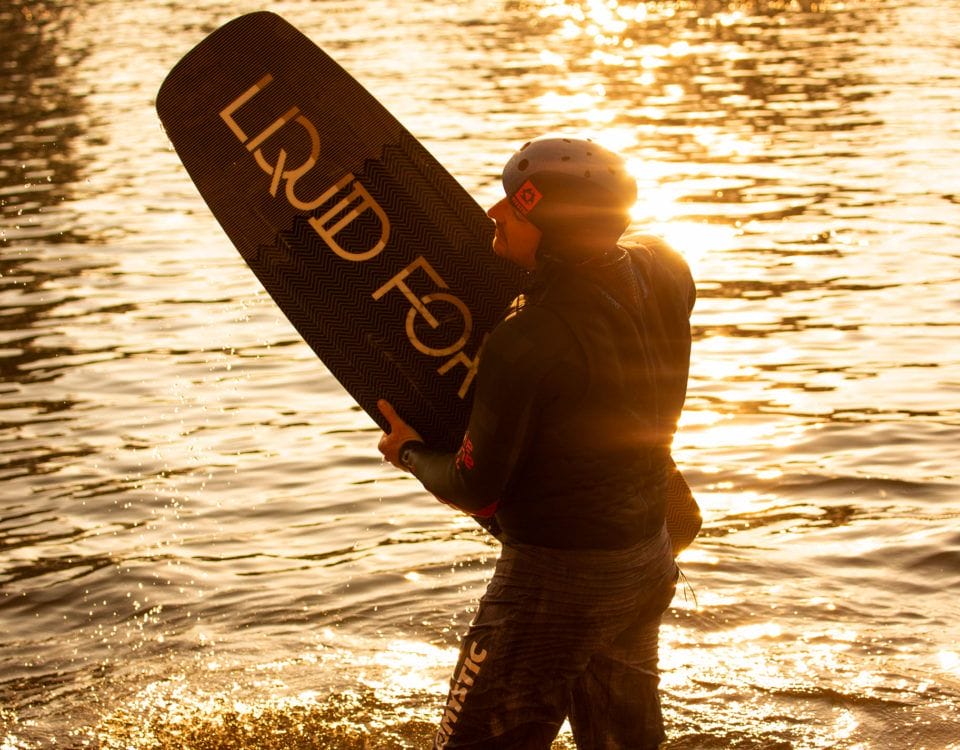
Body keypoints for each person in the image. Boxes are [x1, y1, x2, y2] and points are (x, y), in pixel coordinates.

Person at [377, 136, 697, 749]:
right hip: (646, 553)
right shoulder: (666, 265)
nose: (492, 215)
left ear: (551, 229)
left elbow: (476, 486)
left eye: (513, 210)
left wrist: (410, 452)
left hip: (556, 582)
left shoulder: (526, 340)